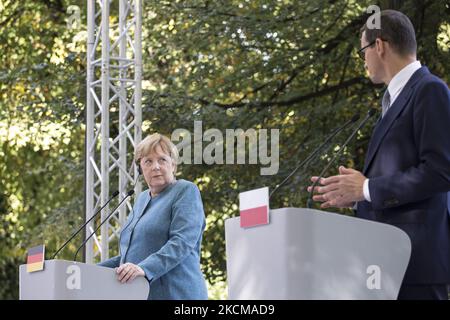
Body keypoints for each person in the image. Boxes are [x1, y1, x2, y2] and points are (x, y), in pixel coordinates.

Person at [308, 10, 450, 300]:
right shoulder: (393, 101)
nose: (363, 60)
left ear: (380, 46)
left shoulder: (429, 90)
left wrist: (366, 187)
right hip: (385, 265)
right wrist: (358, 197)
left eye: (363, 51)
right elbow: (394, 185)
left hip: (416, 265)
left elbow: (440, 172)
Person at [98, 133, 208, 300]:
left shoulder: (185, 191)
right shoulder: (141, 199)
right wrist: (87, 270)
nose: (155, 166)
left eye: (162, 160)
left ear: (173, 164)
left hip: (178, 294)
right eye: (148, 161)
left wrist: (144, 268)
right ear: (140, 168)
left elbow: (182, 242)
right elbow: (130, 257)